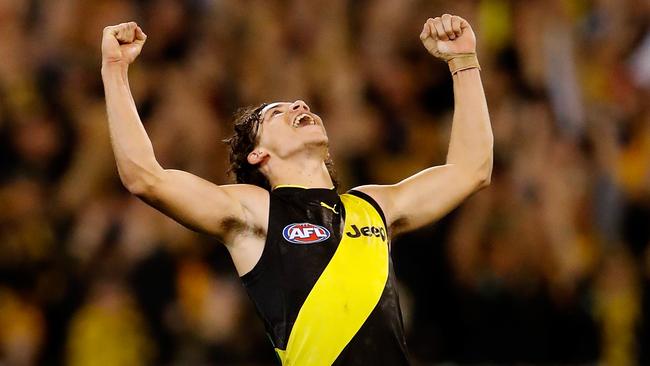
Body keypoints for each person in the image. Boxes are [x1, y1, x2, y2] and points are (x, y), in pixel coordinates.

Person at [101, 13, 492, 365]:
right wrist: (115, 70)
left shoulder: (373, 206)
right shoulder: (255, 213)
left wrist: (463, 62)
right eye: (276, 112)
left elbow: (471, 169)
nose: (299, 104)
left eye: (297, 103)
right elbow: (144, 176)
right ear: (258, 155)